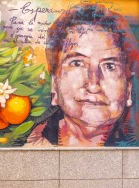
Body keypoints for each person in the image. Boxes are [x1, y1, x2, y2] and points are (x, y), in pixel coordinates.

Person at [25, 3, 139, 147]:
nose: (93, 84)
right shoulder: (26, 141)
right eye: (77, 63)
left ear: (128, 90)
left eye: (110, 66)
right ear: (54, 84)